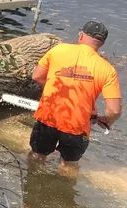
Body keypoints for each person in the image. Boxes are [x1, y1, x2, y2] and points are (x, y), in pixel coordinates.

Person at [29, 21, 122, 174]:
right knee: (68, 167)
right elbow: (114, 110)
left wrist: (54, 88)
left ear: (81, 35)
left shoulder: (58, 50)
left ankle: (33, 190)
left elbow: (37, 76)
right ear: (102, 43)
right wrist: (106, 120)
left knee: (37, 157)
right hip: (77, 127)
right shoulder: (107, 69)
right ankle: (63, 195)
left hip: (47, 118)